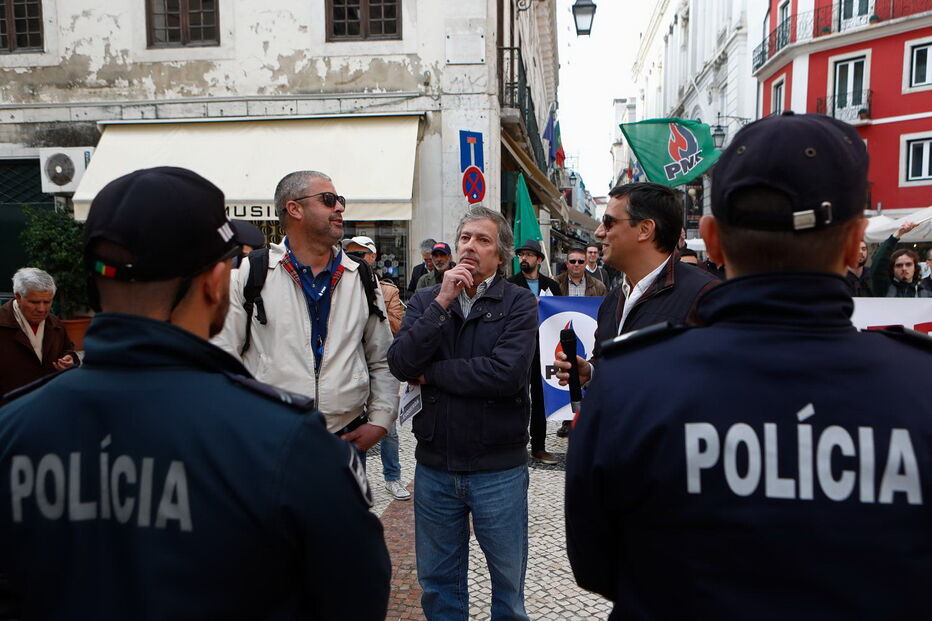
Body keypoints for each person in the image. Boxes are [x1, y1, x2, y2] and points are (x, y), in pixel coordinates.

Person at [565, 112, 932, 619]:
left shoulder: (631, 382)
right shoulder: (921, 389)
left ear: (711, 240)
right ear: (855, 244)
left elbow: (597, 567)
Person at [0, 167, 391, 619]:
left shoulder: (13, 430)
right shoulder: (285, 442)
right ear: (214, 283)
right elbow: (354, 597)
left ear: (94, 283)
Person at [388, 206, 538, 621]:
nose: (471, 247)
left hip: (498, 470)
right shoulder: (426, 299)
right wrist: (442, 302)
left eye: (483, 240)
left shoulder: (520, 303)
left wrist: (431, 373)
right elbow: (401, 363)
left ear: (501, 255)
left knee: (508, 588)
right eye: (465, 238)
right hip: (435, 467)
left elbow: (505, 375)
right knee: (438, 585)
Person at [213, 170, 397, 452]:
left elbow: (381, 356)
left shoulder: (360, 274)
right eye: (328, 199)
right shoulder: (253, 272)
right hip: (269, 437)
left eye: (339, 200)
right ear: (294, 208)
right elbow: (224, 356)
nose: (339, 207)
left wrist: (381, 420)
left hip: (345, 437)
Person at [553, 182, 719, 394]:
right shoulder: (613, 299)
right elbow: (611, 363)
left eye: (608, 222)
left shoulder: (705, 296)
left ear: (644, 230)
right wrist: (592, 371)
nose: (598, 233)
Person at [344, 235, 411, 501]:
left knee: (388, 428)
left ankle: (392, 477)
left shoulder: (387, 290)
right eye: (351, 254)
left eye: (361, 254)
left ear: (372, 257)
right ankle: (354, 482)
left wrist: (374, 300)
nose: (356, 259)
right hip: (349, 368)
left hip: (378, 367)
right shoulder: (339, 286)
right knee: (351, 425)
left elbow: (396, 327)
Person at [508, 239, 561, 465]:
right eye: (521, 255)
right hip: (518, 349)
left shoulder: (552, 285)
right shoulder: (510, 284)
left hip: (544, 348)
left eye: (529, 255)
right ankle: (514, 445)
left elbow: (560, 315)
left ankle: (538, 447)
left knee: (539, 398)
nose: (524, 259)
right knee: (516, 397)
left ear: (539, 260)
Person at [0, 268, 78, 404]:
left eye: (47, 302)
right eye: (34, 302)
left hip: (47, 405)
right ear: (18, 297)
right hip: (9, 411)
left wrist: (70, 360)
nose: (42, 309)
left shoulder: (55, 324)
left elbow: (68, 350)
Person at [870, 221, 932, 297]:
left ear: (915, 268)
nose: (904, 268)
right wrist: (897, 235)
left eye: (908, 264)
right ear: (892, 269)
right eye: (899, 265)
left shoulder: (925, 294)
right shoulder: (884, 289)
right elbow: (878, 264)